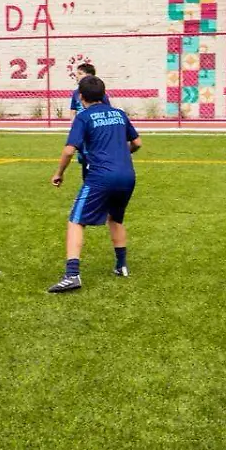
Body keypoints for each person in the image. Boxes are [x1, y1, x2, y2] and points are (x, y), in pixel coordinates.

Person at [48, 75, 142, 293]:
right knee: (115, 218)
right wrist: (120, 152)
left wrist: (59, 173)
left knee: (76, 220)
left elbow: (70, 149)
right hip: (128, 175)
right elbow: (137, 143)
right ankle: (122, 266)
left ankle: (72, 275)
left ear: (80, 97)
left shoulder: (83, 117)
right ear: (104, 94)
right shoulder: (119, 114)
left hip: (101, 176)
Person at [70, 63, 109, 181]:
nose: (76, 76)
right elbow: (73, 110)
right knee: (83, 158)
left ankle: (95, 181)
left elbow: (106, 111)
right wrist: (74, 125)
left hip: (94, 128)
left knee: (93, 155)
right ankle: (88, 181)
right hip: (82, 128)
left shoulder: (98, 93)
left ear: (89, 76)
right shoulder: (75, 93)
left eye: (80, 74)